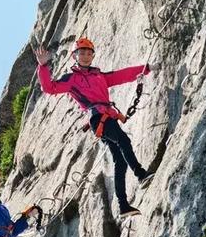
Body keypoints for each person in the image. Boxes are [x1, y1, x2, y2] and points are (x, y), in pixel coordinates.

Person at [34, 38, 155, 219]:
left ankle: (123, 205)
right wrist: (43, 67)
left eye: (89, 53)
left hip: (107, 116)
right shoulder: (71, 79)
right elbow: (50, 88)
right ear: (74, 56)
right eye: (81, 53)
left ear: (93, 56)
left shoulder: (99, 76)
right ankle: (140, 173)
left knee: (120, 161)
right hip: (98, 118)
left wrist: (146, 69)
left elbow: (121, 75)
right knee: (123, 140)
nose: (85, 56)